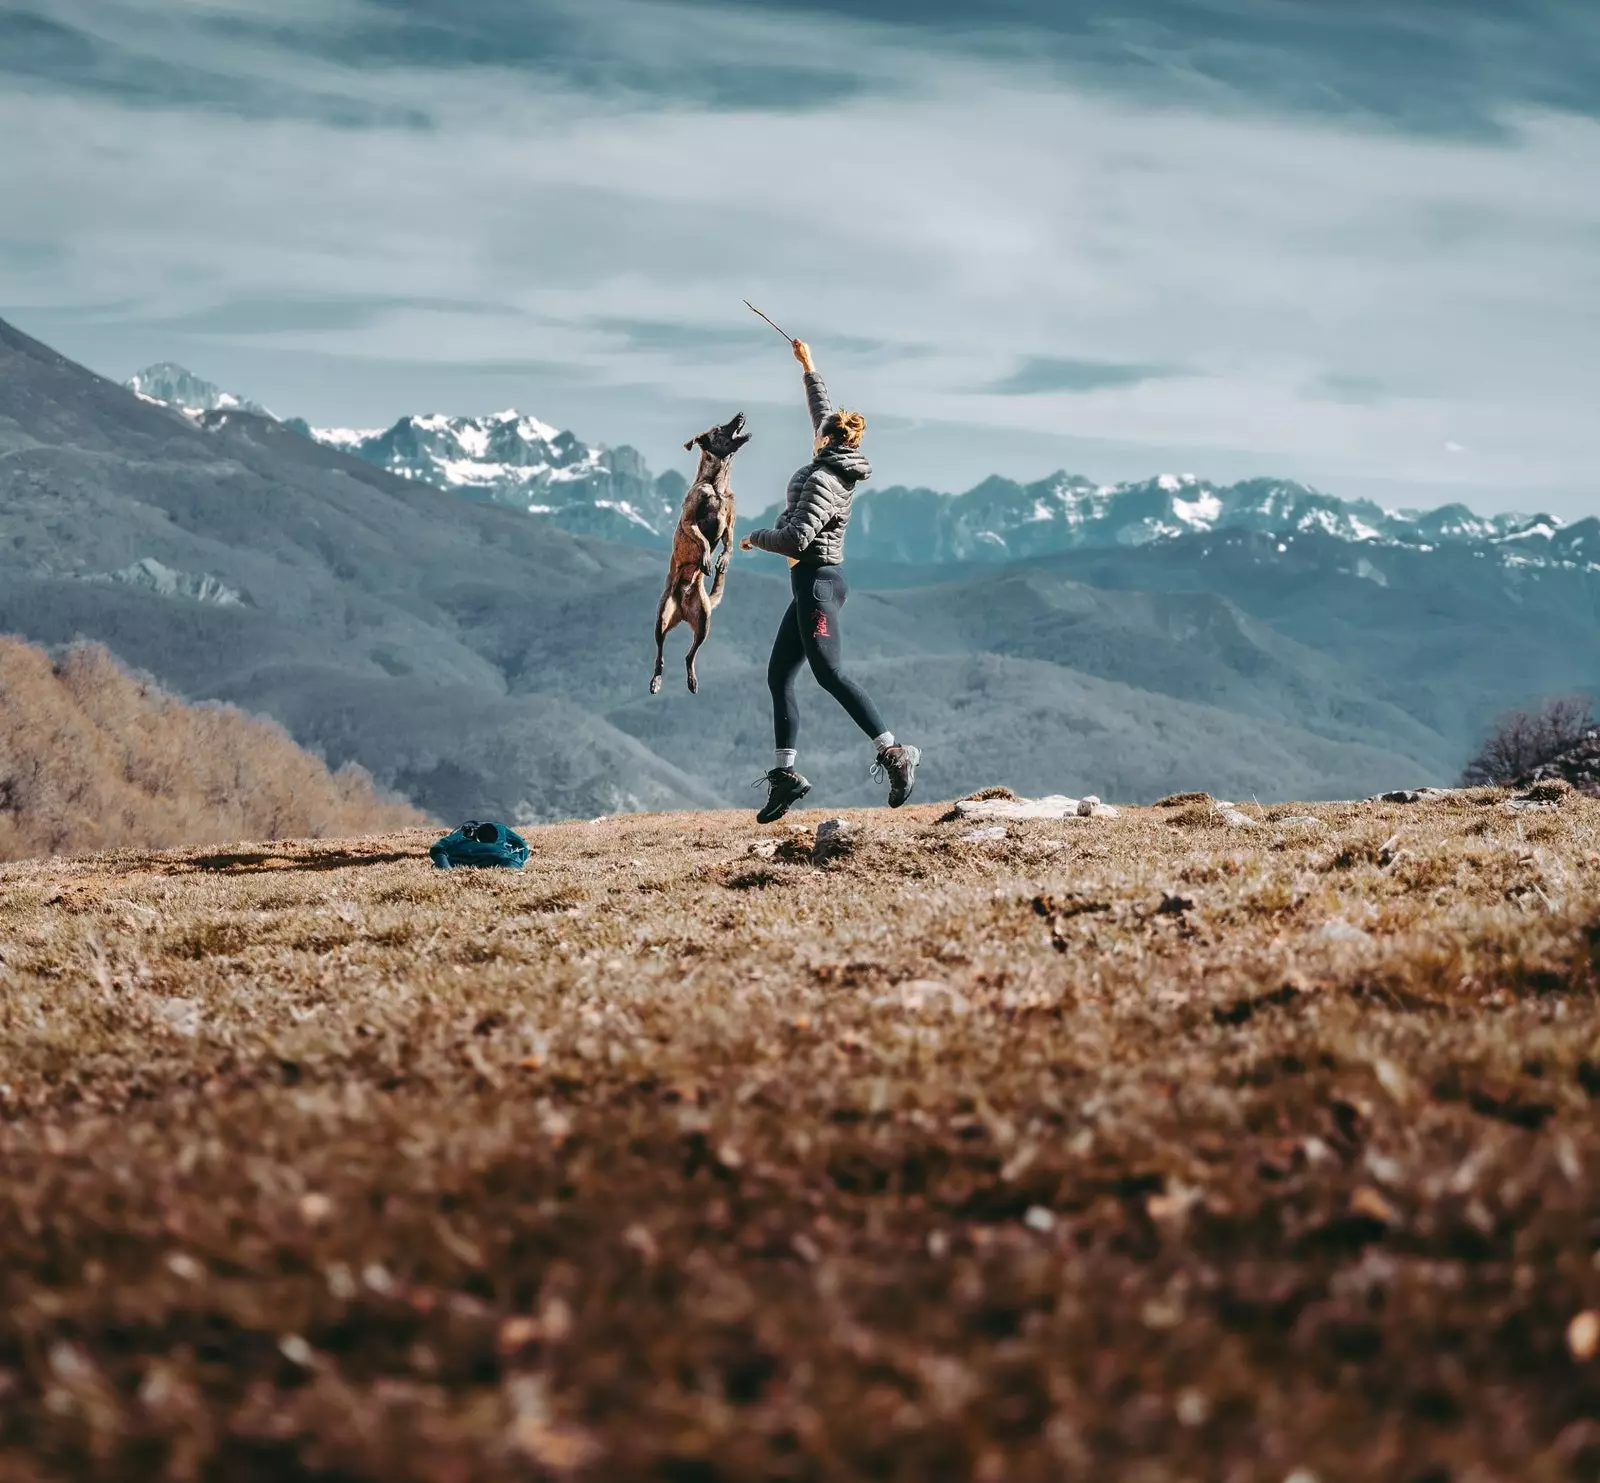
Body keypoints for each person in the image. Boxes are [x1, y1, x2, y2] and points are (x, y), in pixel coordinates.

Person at [740, 338, 921, 823]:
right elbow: (821, 410)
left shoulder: (825, 480)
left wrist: (755, 537)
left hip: (818, 582)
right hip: (810, 587)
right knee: (780, 675)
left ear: (827, 440)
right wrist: (809, 365)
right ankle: (786, 777)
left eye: (818, 431)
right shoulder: (831, 458)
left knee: (829, 674)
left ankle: (895, 753)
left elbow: (798, 538)